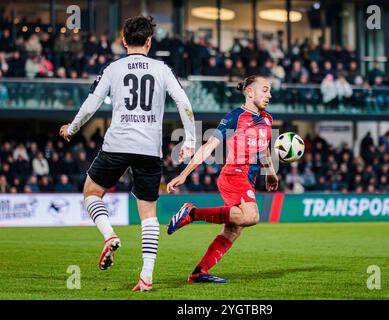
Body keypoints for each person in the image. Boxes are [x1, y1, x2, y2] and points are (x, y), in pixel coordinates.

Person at [59, 16, 196, 292]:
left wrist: (72, 128)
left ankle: (109, 235)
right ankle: (146, 277)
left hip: (117, 145)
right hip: (149, 150)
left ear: (123, 41)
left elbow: (91, 105)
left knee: (91, 192)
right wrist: (191, 139)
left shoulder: (113, 68)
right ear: (149, 41)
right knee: (148, 215)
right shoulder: (162, 69)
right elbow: (184, 103)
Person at [166, 75, 278, 283]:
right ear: (250, 92)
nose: (269, 95)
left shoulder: (268, 120)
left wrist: (270, 172)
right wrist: (184, 173)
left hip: (248, 179)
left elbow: (263, 150)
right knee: (251, 216)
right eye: (265, 90)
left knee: (234, 229)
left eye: (270, 90)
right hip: (233, 174)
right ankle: (192, 213)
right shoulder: (235, 116)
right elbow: (209, 147)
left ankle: (199, 272)